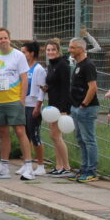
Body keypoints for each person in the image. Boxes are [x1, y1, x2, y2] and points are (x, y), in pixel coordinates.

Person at [0, 28, 34, 181]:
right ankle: (3, 167)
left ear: (9, 39)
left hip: (14, 100)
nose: (3, 40)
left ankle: (29, 165)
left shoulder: (18, 55)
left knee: (20, 131)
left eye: (5, 37)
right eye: (0, 38)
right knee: (3, 133)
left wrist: (22, 99)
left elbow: (24, 78)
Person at [67, 37, 101, 184]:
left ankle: (91, 170)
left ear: (81, 49)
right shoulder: (78, 65)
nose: (70, 50)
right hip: (76, 108)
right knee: (81, 139)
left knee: (89, 139)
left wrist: (84, 104)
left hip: (86, 109)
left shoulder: (88, 65)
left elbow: (93, 87)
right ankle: (84, 167)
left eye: (73, 47)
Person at [42, 39, 73, 176]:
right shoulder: (51, 65)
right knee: (54, 136)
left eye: (53, 50)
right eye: (48, 50)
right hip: (52, 105)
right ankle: (58, 165)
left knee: (56, 136)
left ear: (58, 51)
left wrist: (63, 110)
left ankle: (66, 167)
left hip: (60, 107)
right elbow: (54, 84)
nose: (50, 52)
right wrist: (46, 88)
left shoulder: (62, 65)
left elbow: (65, 88)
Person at [21, 41, 47, 179]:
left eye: (24, 52)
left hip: (33, 106)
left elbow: (42, 90)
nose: (22, 54)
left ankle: (41, 165)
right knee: (24, 136)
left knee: (35, 135)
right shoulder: (24, 68)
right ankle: (27, 163)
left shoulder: (39, 69)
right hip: (24, 106)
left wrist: (38, 106)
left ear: (32, 53)